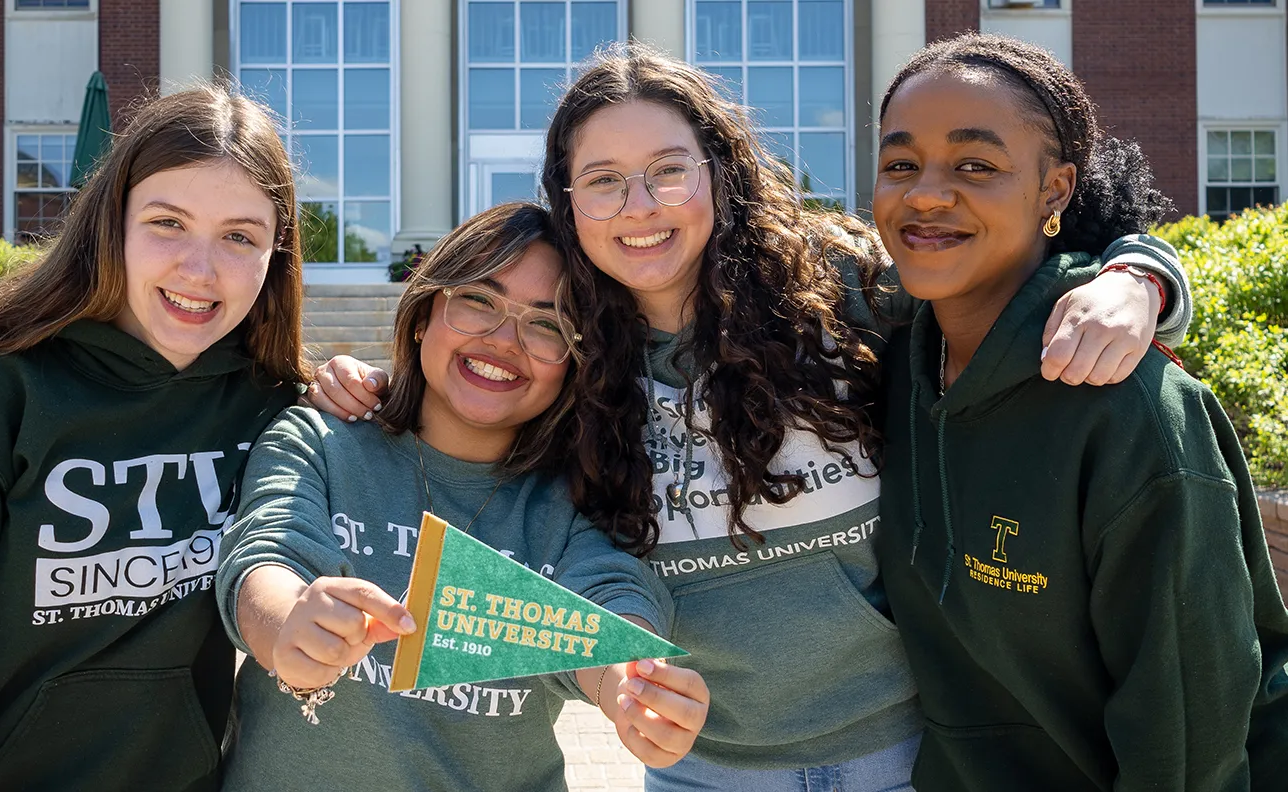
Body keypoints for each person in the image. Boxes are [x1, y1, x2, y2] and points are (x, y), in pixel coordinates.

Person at [316, 44, 1191, 790]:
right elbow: (469, 384)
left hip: (912, 748)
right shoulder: (569, 359)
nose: (640, 206)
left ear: (719, 170)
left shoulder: (841, 287)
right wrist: (363, 382)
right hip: (705, 764)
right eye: (603, 181)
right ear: (569, 200)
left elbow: (1002, 271)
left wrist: (1140, 276)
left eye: (667, 171)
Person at [0, 85, 308, 792]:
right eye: (168, 223)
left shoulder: (274, 405)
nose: (199, 268)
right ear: (111, 222)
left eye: (239, 236)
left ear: (275, 255)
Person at [872, 34, 1288, 791]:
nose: (926, 193)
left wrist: (1141, 274)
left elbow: (1190, 735)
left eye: (976, 166)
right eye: (901, 164)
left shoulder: (1133, 411)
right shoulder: (891, 363)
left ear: (1055, 190)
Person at [216, 201, 709, 792]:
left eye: (547, 325)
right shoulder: (319, 440)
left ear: (576, 364)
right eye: (479, 300)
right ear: (426, 313)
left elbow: (609, 597)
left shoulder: (571, 502)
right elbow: (267, 553)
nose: (504, 340)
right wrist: (287, 622)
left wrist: (628, 682)